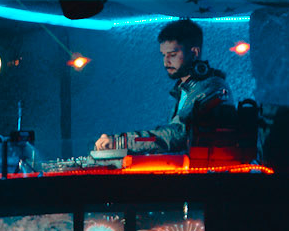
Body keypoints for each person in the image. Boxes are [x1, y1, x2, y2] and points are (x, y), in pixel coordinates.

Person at [94, 16, 233, 156]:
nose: (166, 61)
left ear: (194, 53)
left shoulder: (213, 87)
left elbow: (177, 136)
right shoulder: (185, 89)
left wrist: (121, 142)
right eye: (163, 55)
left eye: (172, 54)